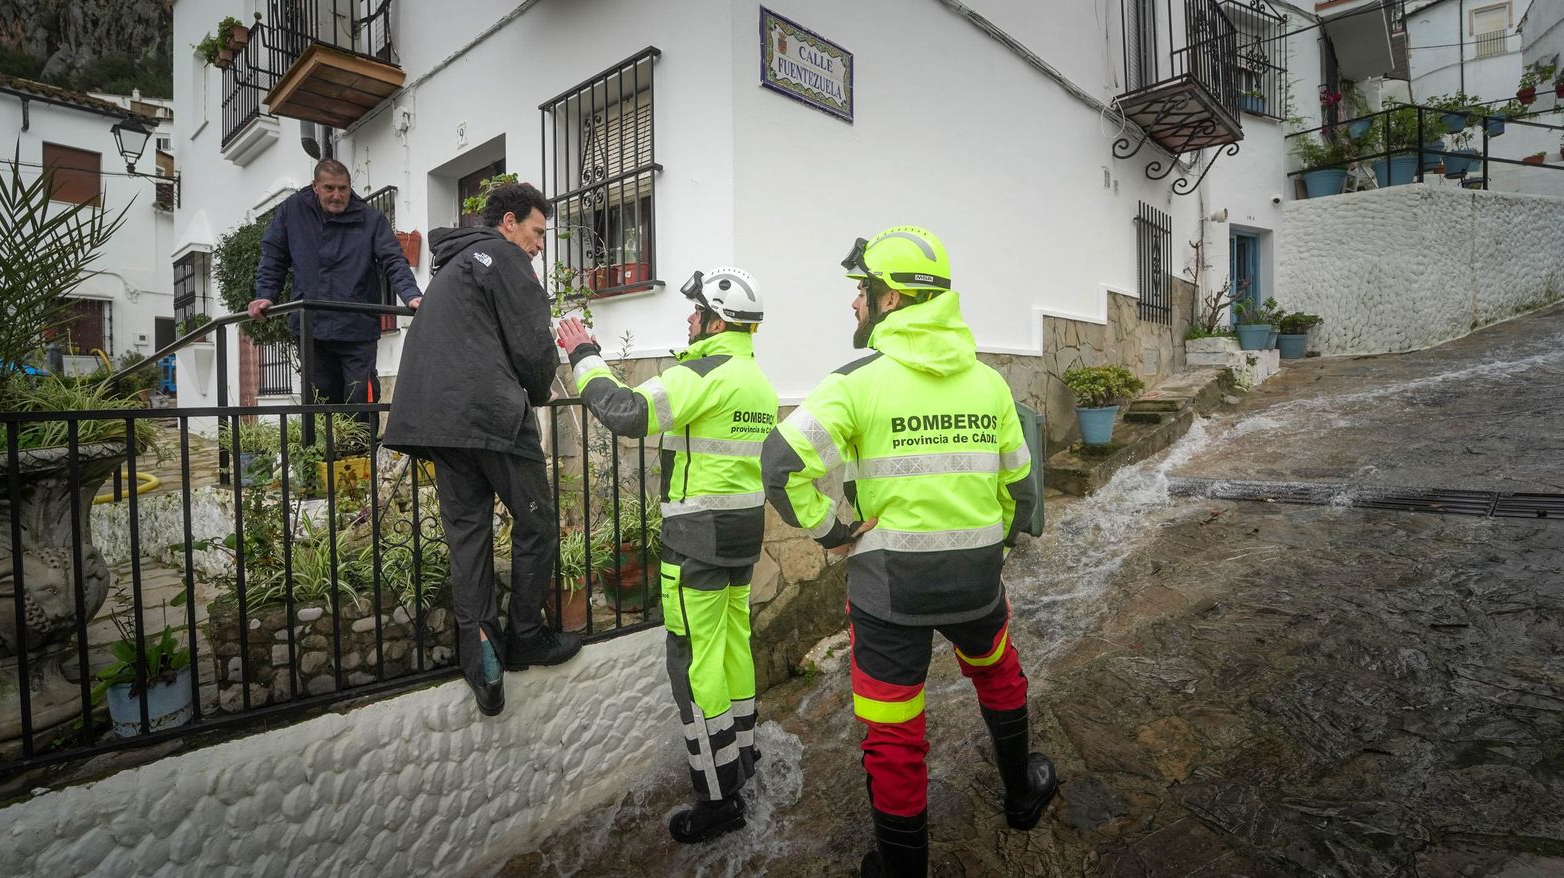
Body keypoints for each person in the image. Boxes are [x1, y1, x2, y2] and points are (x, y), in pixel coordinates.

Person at [761, 227, 1058, 877]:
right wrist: (993, 543)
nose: (854, 304)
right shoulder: (989, 383)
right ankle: (1022, 794)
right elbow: (1017, 484)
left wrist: (834, 532)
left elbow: (779, 465)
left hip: (888, 593)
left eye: (861, 291)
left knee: (894, 731)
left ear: (891, 299)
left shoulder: (856, 383)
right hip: (976, 582)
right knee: (998, 675)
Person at [555, 267, 777, 844]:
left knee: (693, 659)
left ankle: (716, 798)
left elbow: (626, 413)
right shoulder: (757, 379)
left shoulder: (702, 372)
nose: (688, 318)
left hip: (696, 541)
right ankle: (742, 758)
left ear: (717, 320)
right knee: (731, 645)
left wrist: (584, 354)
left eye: (695, 309)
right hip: (741, 535)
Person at [381, 181, 582, 718]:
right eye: (538, 232)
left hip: (435, 420)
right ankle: (526, 637)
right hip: (488, 412)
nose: (540, 244)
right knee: (537, 520)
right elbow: (534, 346)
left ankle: (481, 659)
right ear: (510, 222)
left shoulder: (454, 266)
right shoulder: (504, 257)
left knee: (468, 533)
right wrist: (537, 392)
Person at [249, 159, 422, 413]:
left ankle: (362, 453)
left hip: (357, 329)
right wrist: (265, 295)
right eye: (329, 188)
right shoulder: (292, 211)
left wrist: (411, 295)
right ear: (315, 186)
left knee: (360, 399)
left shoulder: (371, 219)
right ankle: (326, 454)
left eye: (343, 188)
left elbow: (393, 259)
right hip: (311, 329)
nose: (337, 195)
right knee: (319, 403)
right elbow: (274, 256)